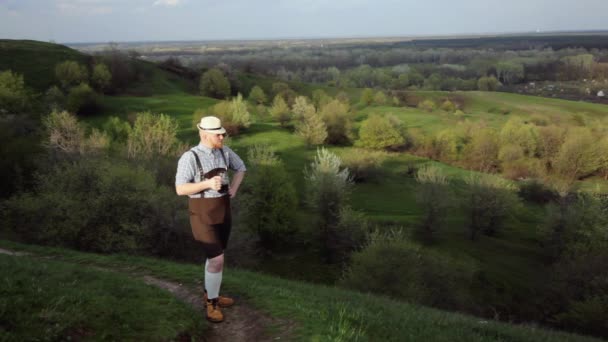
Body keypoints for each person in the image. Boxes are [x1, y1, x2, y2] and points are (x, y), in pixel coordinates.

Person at [175, 116, 246, 323]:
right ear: (204, 134)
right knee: (217, 259)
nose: (223, 136)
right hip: (201, 212)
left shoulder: (225, 151)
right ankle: (211, 304)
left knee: (216, 257)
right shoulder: (190, 157)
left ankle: (211, 293)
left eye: (222, 133)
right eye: (218, 134)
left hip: (223, 209)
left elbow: (241, 168)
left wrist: (234, 188)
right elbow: (180, 189)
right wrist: (206, 184)